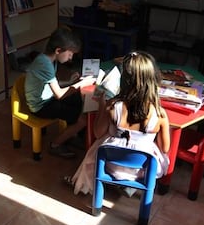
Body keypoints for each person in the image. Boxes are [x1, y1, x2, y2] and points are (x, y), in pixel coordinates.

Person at [65, 51, 170, 196]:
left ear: (123, 80)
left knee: (100, 143)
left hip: (111, 163)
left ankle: (84, 184)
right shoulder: (160, 114)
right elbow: (165, 148)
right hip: (143, 168)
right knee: (153, 149)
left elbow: (97, 133)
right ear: (152, 81)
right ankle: (130, 185)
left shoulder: (113, 105)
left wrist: (102, 106)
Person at [25, 26, 95, 158]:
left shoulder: (50, 60)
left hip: (48, 98)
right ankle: (55, 145)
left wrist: (70, 82)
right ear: (58, 50)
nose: (70, 58)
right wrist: (80, 84)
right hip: (40, 106)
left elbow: (53, 84)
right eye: (70, 54)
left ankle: (72, 134)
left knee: (80, 102)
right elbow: (59, 94)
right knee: (83, 119)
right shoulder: (44, 63)